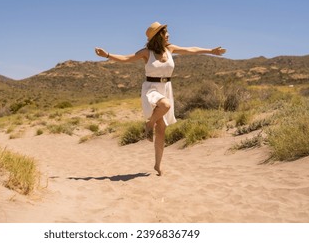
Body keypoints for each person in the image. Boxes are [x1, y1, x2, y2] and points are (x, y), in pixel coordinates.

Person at [95, 21, 226, 176]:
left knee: (162, 130)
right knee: (166, 105)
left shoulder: (170, 49)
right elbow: (125, 58)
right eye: (165, 33)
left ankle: (157, 165)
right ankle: (149, 123)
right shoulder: (146, 52)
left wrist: (211, 50)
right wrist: (107, 55)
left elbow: (191, 50)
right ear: (158, 36)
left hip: (166, 88)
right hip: (151, 89)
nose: (168, 35)